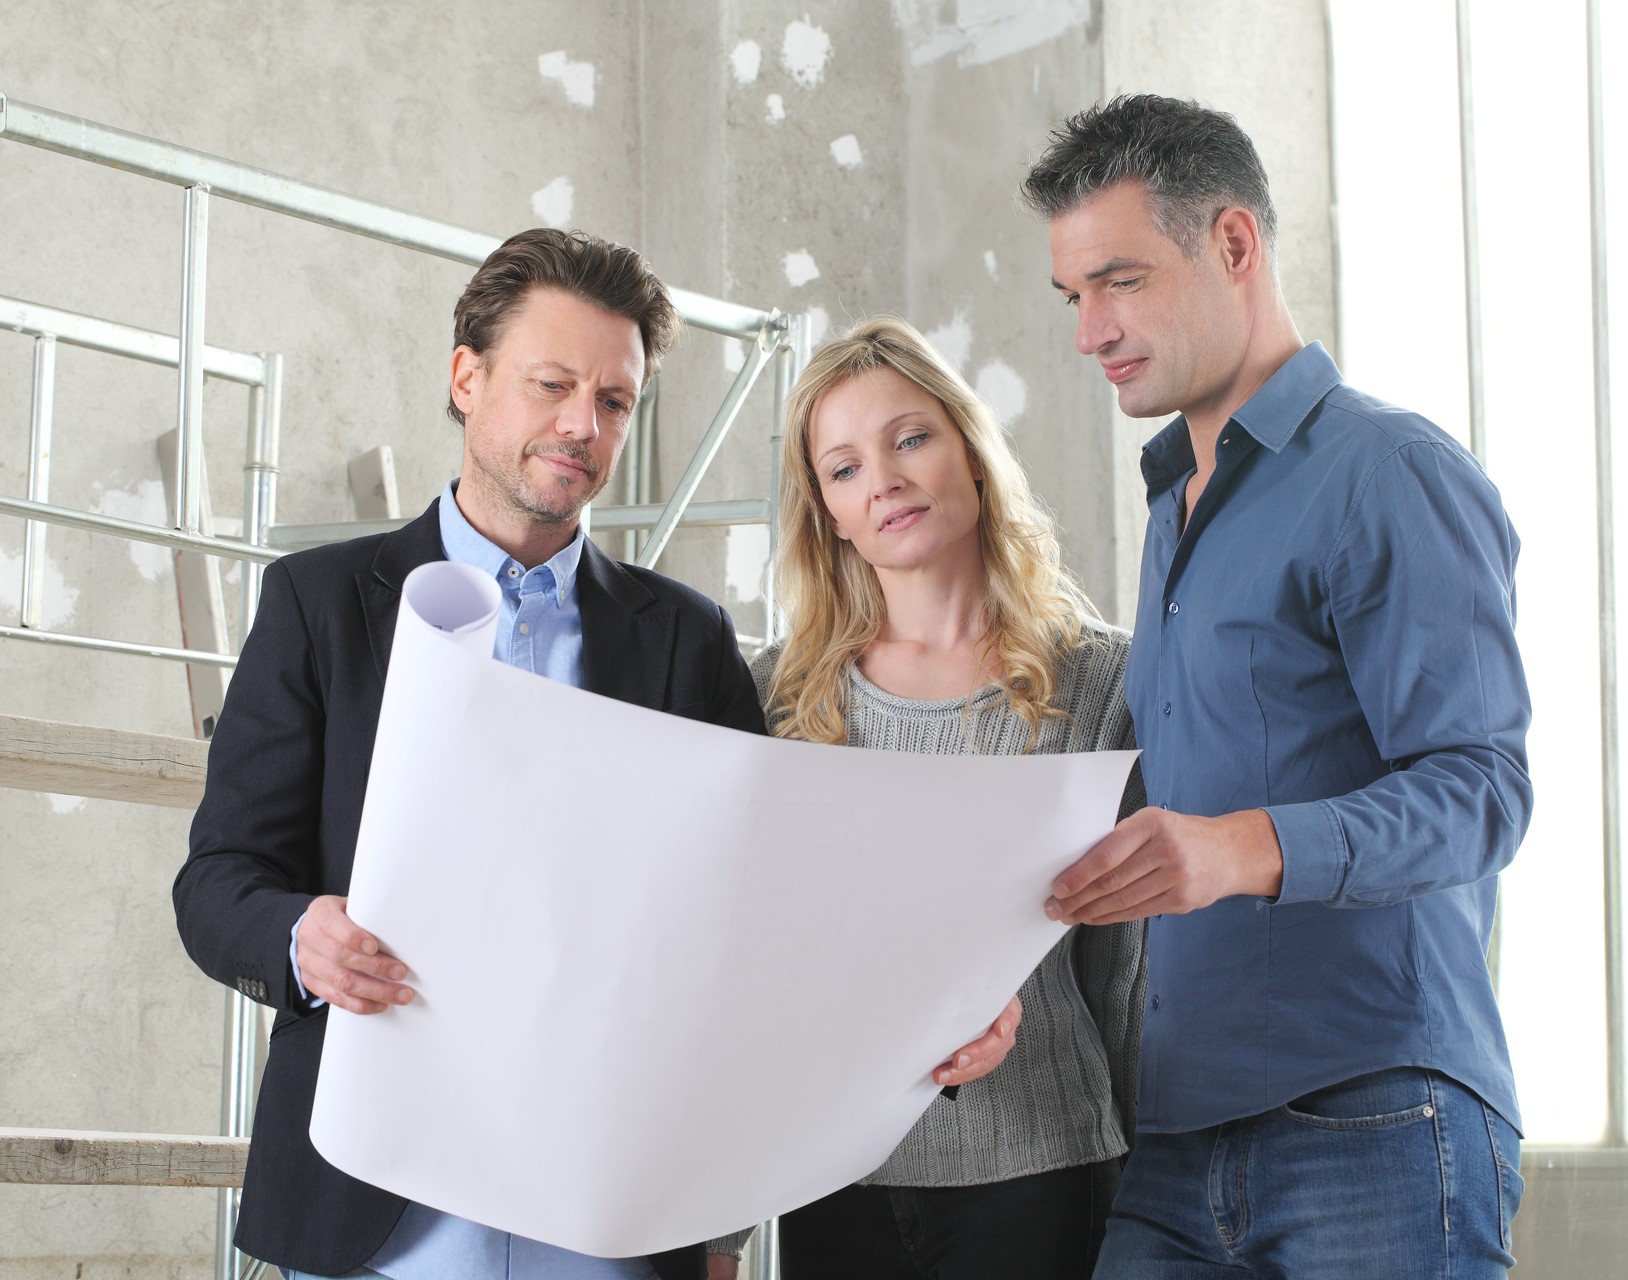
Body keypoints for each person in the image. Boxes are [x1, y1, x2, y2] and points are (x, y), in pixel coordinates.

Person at [170, 231, 1020, 1280]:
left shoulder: (686, 637)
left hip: (618, 1219)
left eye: (615, 400)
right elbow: (215, 885)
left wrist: (936, 1003)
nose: (583, 423)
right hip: (380, 1217)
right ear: (466, 378)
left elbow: (765, 916)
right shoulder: (320, 606)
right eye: (553, 384)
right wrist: (303, 936)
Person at [1023, 95, 1533, 1277]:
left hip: (1377, 1113)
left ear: (1236, 245)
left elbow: (1484, 790)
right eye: (1074, 297)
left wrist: (1242, 847)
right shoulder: (1174, 501)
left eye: (1121, 280)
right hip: (1180, 1123)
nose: (1091, 329)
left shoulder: (1391, 472)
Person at [752, 316, 1147, 1280]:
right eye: (842, 469)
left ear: (970, 451)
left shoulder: (1105, 683)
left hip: (1038, 1171)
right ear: (828, 515)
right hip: (827, 1174)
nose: (882, 479)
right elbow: (751, 967)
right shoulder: (780, 697)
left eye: (910, 438)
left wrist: (1158, 1200)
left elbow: (1128, 979)